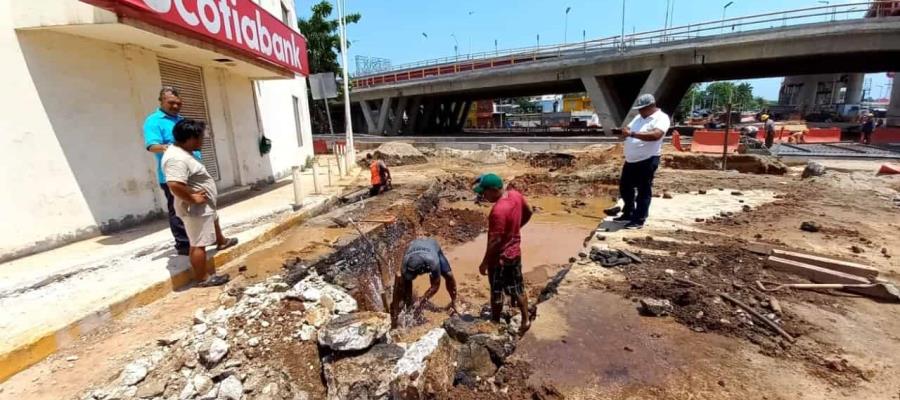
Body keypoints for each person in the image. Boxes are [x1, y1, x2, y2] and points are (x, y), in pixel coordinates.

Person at [162, 119, 238, 287]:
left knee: (214, 221)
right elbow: (174, 184)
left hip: (204, 206)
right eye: (201, 137)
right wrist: (192, 198)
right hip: (195, 209)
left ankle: (221, 241)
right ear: (190, 138)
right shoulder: (176, 159)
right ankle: (203, 278)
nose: (203, 140)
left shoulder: (182, 153)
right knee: (199, 243)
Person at [474, 173, 533, 335]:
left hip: (499, 260)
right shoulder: (515, 195)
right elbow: (529, 211)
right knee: (518, 287)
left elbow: (494, 241)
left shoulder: (498, 211)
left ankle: (494, 321)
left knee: (496, 291)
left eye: (484, 192)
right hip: (515, 252)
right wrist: (515, 229)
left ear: (493, 190)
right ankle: (525, 319)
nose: (483, 196)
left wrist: (485, 262)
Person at [144, 87, 200, 256]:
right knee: (178, 210)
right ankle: (184, 245)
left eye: (178, 103)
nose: (176, 106)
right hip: (174, 176)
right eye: (171, 103)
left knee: (197, 208)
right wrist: (173, 148)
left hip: (193, 173)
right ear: (161, 101)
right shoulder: (154, 121)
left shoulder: (182, 120)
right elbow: (152, 146)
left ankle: (198, 240)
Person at [612, 94, 670, 229]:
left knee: (643, 190)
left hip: (647, 159)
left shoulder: (661, 118)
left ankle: (639, 219)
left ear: (651, 106)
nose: (640, 111)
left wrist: (632, 134)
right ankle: (628, 213)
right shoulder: (639, 118)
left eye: (642, 109)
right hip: (631, 160)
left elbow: (656, 135)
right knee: (625, 188)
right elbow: (628, 128)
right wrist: (625, 131)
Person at [389, 237, 458, 328]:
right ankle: (409, 306)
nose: (411, 276)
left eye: (413, 274)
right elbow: (405, 284)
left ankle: (454, 302)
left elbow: (435, 286)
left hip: (432, 246)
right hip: (413, 245)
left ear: (422, 269)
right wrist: (403, 306)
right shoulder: (405, 263)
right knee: (406, 286)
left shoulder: (433, 262)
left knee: (449, 276)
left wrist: (421, 301)